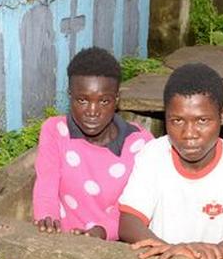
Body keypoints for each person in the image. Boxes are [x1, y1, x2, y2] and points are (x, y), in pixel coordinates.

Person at [118, 63, 223, 259]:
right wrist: (170, 252)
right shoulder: (153, 155)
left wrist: (214, 255)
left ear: (222, 116)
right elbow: (129, 222)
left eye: (202, 120)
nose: (189, 134)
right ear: (165, 117)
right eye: (177, 121)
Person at [33, 47, 154, 240]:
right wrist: (47, 218)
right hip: (60, 240)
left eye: (104, 101)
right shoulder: (55, 131)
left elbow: (136, 208)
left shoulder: (139, 143)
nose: (92, 111)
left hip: (113, 248)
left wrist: (102, 232)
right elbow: (46, 185)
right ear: (70, 96)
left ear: (117, 100)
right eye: (82, 100)